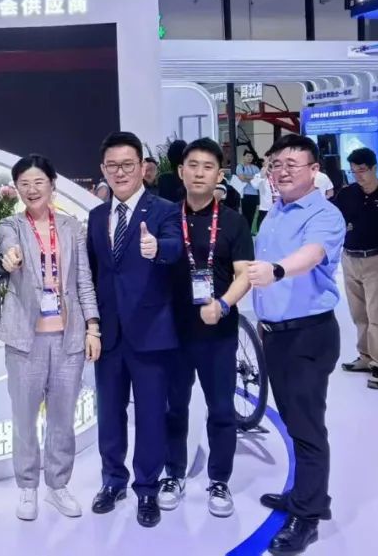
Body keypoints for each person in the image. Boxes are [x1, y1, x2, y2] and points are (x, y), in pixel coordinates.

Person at [246, 134, 345, 555]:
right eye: (276, 164)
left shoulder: (324, 214)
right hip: (277, 334)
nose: (282, 172)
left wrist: (277, 270)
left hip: (308, 335)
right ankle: (305, 494)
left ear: (314, 170)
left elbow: (312, 254)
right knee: (293, 420)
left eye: (292, 164)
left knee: (307, 428)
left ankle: (308, 515)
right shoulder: (276, 211)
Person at [86, 131, 182, 528]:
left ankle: (147, 488)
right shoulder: (96, 217)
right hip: (109, 335)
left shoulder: (164, 210)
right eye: (112, 166)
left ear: (143, 166)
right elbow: (93, 274)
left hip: (151, 332)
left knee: (150, 415)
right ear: (103, 169)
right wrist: (92, 325)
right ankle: (113, 480)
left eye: (127, 164)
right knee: (109, 414)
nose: (120, 172)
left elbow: (176, 247)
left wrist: (157, 248)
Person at [0, 154, 100, 522]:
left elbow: (83, 280)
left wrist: (92, 326)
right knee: (24, 417)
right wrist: (10, 257)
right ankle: (27, 486)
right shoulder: (11, 224)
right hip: (25, 339)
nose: (31, 189)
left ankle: (57, 485)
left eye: (38, 182)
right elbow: (8, 246)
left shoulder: (71, 227)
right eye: (24, 184)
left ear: (52, 185)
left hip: (68, 338)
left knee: (62, 418)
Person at [161, 139, 253, 519]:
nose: (199, 173)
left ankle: (219, 480)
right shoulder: (165, 217)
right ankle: (173, 474)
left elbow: (244, 274)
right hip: (173, 333)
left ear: (219, 175)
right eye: (193, 165)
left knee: (221, 409)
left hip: (218, 332)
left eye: (208, 166)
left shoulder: (233, 221)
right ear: (180, 171)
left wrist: (224, 304)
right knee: (174, 408)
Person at [333, 147, 378, 390]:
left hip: (376, 260)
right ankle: (365, 356)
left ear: (375, 168)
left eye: (362, 170)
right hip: (349, 259)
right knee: (359, 315)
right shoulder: (347, 194)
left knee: (377, 316)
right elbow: (335, 223)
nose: (358, 176)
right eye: (353, 171)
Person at [236, 148, 261, 228]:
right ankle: (244, 231)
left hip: (254, 194)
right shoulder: (240, 166)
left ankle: (249, 231)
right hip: (244, 194)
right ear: (244, 157)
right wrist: (254, 178)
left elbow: (259, 179)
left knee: (252, 215)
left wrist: (247, 177)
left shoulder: (255, 168)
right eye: (248, 156)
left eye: (251, 156)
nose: (250, 158)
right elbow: (242, 178)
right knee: (245, 215)